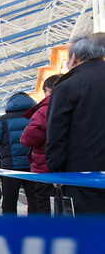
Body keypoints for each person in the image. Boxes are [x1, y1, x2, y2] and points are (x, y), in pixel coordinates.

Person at [47, 32, 105, 214]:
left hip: (83, 173)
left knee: (88, 227)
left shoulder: (67, 86)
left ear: (74, 57)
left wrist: (56, 171)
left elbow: (56, 134)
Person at [20, 74, 62, 214]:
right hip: (76, 168)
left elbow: (29, 138)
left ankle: (48, 234)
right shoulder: (81, 102)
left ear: (49, 89)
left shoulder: (45, 109)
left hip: (46, 168)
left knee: (45, 207)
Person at [0, 93, 38, 215]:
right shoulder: (36, 115)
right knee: (34, 198)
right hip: (33, 163)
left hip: (10, 165)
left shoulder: (2, 119)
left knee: (9, 198)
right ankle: (35, 227)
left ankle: (9, 227)